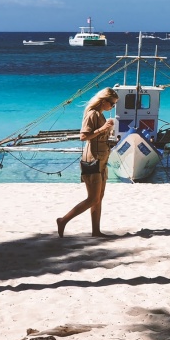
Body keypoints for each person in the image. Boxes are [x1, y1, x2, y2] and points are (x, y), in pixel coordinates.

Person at [57, 87, 119, 237]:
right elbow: (84, 136)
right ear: (104, 101)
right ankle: (63, 220)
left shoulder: (101, 115)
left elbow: (98, 138)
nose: (113, 107)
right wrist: (103, 128)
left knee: (99, 197)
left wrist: (110, 139)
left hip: (102, 160)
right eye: (112, 104)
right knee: (93, 198)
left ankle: (96, 231)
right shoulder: (92, 114)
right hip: (92, 160)